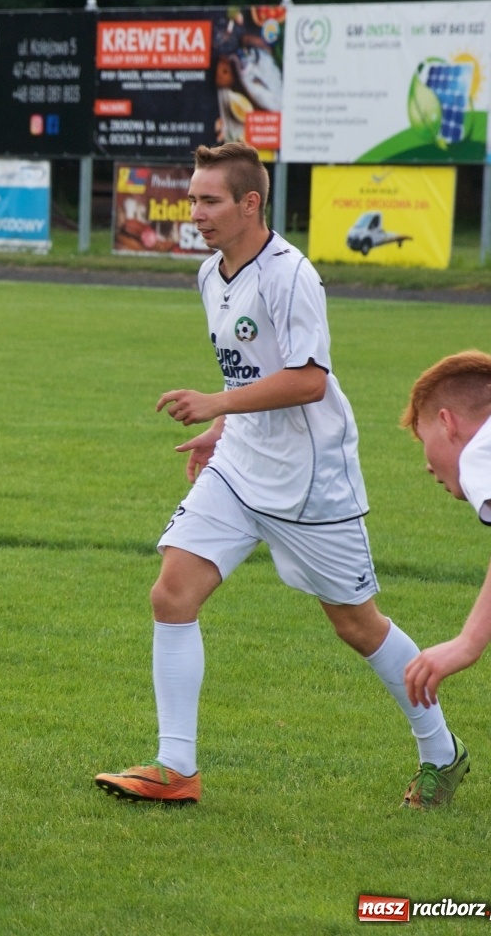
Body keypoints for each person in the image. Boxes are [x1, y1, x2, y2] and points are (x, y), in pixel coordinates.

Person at [93, 141, 466, 809]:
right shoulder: (211, 274)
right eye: (193, 199)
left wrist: (216, 404)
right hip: (241, 464)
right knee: (171, 593)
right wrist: (220, 427)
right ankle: (176, 765)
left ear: (250, 203)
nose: (196, 213)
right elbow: (250, 371)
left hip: (310, 478)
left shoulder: (291, 274)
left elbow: (306, 378)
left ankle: (442, 750)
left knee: (358, 625)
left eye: (209, 201)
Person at [401, 352, 491, 708]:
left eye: (424, 441)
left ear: (446, 423)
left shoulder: (483, 446)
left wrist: (469, 641)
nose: (427, 464)